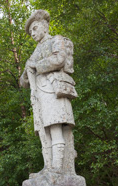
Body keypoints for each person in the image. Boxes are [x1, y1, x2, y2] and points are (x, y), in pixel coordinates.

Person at [20, 10, 78, 175]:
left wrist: (36, 66)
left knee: (55, 128)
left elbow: (59, 59)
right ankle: (48, 166)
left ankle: (58, 168)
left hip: (54, 91)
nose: (32, 33)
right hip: (40, 94)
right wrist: (27, 70)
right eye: (31, 31)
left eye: (35, 28)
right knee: (44, 132)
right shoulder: (36, 51)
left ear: (44, 27)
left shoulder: (56, 40)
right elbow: (23, 80)